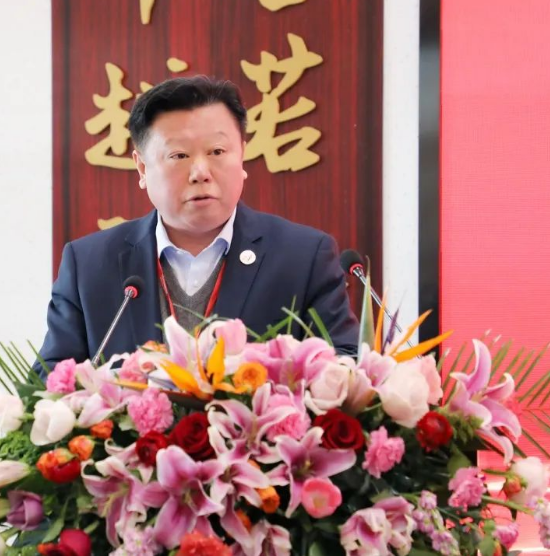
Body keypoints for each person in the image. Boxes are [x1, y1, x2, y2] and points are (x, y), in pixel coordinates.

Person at [34, 76, 358, 373]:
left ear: (241, 155)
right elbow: (48, 383)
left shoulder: (304, 257)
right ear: (142, 168)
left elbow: (346, 367)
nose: (201, 172)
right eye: (179, 156)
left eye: (217, 151)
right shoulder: (88, 264)